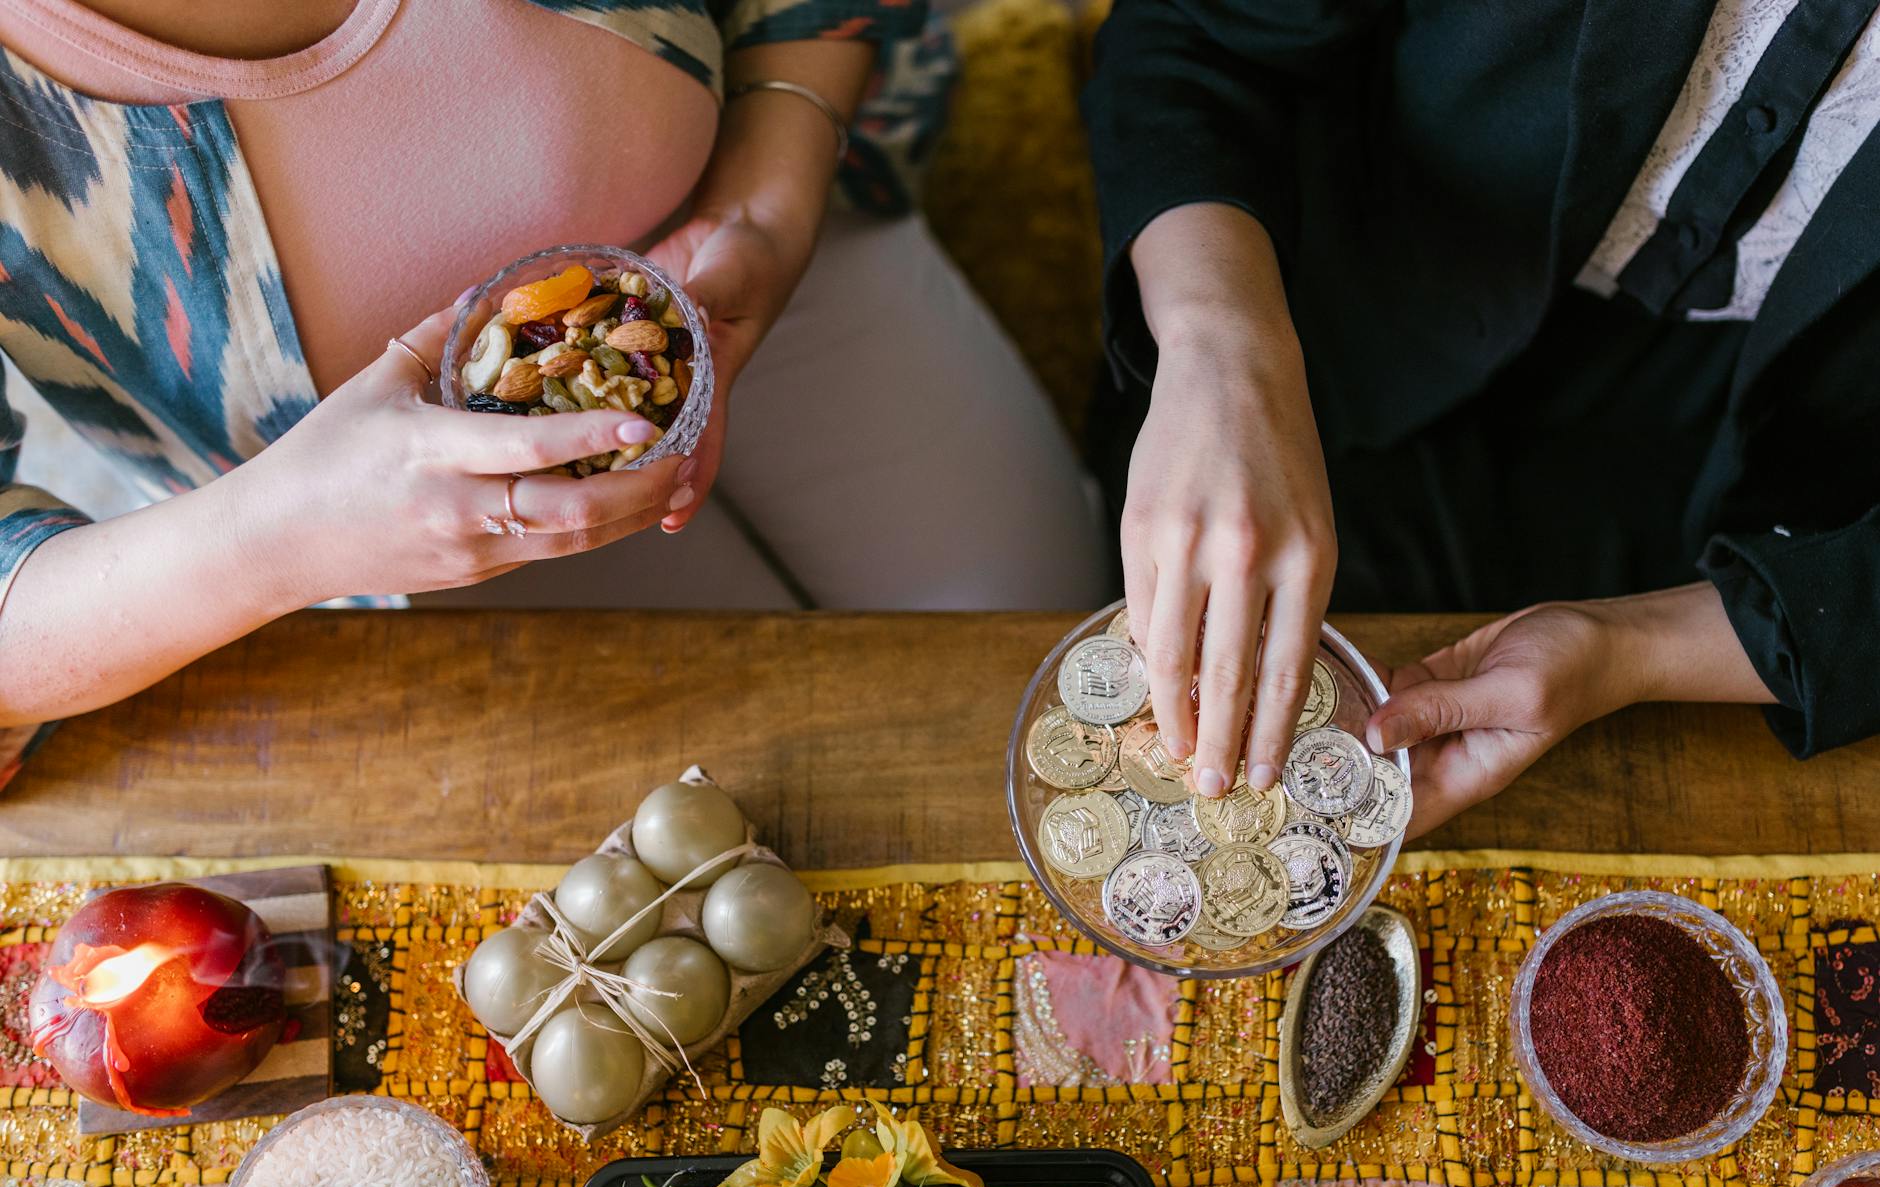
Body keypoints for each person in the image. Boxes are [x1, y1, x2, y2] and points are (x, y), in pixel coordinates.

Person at [0, 0, 1106, 779]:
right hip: (414, 533)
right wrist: (281, 537)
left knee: (1067, 683)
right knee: (755, 796)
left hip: (775, 253)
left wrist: (769, 203)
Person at [1084, 0, 1880, 834]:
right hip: (1302, 358)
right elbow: (1192, 33)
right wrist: (1222, 344)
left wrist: (1641, 646)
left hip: (1776, 544)